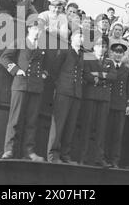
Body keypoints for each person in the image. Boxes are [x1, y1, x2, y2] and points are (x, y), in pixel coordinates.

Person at [0, 17, 48, 161]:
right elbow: (4, 57)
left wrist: (45, 73)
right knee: (15, 119)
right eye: (35, 29)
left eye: (40, 30)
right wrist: (16, 70)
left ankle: (29, 152)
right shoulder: (19, 42)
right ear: (29, 29)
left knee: (32, 121)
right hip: (20, 84)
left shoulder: (43, 47)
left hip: (36, 86)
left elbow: (46, 65)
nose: (38, 32)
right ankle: (9, 150)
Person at [47, 32, 85, 163]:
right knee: (58, 123)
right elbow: (54, 70)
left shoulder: (82, 54)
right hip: (63, 92)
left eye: (82, 37)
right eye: (79, 36)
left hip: (76, 94)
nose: (81, 39)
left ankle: (65, 154)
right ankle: (53, 155)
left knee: (70, 124)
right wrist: (60, 85)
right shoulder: (64, 51)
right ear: (71, 38)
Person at [80, 37, 115, 167]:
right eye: (100, 45)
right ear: (94, 47)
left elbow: (113, 76)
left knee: (101, 129)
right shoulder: (88, 57)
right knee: (87, 126)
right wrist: (102, 77)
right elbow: (87, 74)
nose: (102, 48)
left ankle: (98, 158)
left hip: (104, 97)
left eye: (104, 46)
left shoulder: (109, 61)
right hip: (90, 95)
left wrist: (99, 75)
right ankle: (83, 157)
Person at [105, 41, 129, 168]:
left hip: (121, 104)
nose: (118, 54)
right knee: (106, 131)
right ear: (112, 53)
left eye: (120, 52)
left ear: (123, 55)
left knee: (117, 134)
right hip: (107, 102)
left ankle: (114, 160)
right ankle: (103, 158)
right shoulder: (106, 65)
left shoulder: (127, 70)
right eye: (116, 52)